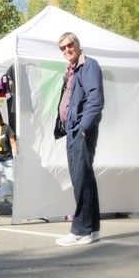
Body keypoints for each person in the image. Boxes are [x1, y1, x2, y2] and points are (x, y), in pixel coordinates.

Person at [53, 32, 104, 247]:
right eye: (62, 48)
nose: (66, 50)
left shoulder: (89, 66)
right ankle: (92, 229)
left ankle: (80, 230)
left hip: (81, 130)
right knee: (84, 178)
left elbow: (96, 100)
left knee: (81, 178)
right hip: (72, 130)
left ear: (78, 44)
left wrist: (83, 127)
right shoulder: (72, 70)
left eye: (69, 45)